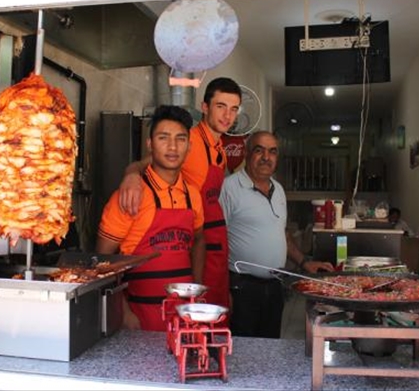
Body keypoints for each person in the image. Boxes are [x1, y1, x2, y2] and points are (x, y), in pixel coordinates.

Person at [118, 77, 242, 308]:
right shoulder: (190, 140)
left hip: (214, 247)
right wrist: (131, 174)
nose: (227, 116)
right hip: (194, 246)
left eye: (233, 109)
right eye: (220, 107)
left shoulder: (220, 149)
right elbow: (144, 163)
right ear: (205, 108)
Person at [96, 105, 206, 331]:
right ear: (150, 145)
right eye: (163, 138)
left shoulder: (193, 195)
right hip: (139, 318)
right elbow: (101, 261)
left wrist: (195, 287)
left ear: (189, 146)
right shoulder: (129, 196)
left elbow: (199, 239)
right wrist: (123, 312)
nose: (173, 147)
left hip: (182, 318)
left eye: (180, 139)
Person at [220, 131, 334, 338]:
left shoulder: (278, 189)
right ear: (247, 153)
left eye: (272, 152)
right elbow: (216, 241)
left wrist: (304, 262)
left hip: (274, 287)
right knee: (242, 351)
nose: (266, 157)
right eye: (259, 150)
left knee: (271, 347)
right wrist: (222, 289)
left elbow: (282, 233)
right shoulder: (229, 188)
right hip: (241, 287)